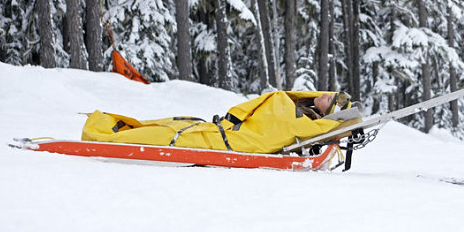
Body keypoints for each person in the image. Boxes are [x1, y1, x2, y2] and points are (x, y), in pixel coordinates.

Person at [81, 90, 360, 154]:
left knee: (169, 136)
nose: (327, 93)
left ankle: (102, 137)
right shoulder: (300, 106)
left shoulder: (306, 121)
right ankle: (109, 124)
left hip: (232, 140)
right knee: (174, 124)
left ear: (329, 112)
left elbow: (282, 122)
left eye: (331, 98)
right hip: (226, 130)